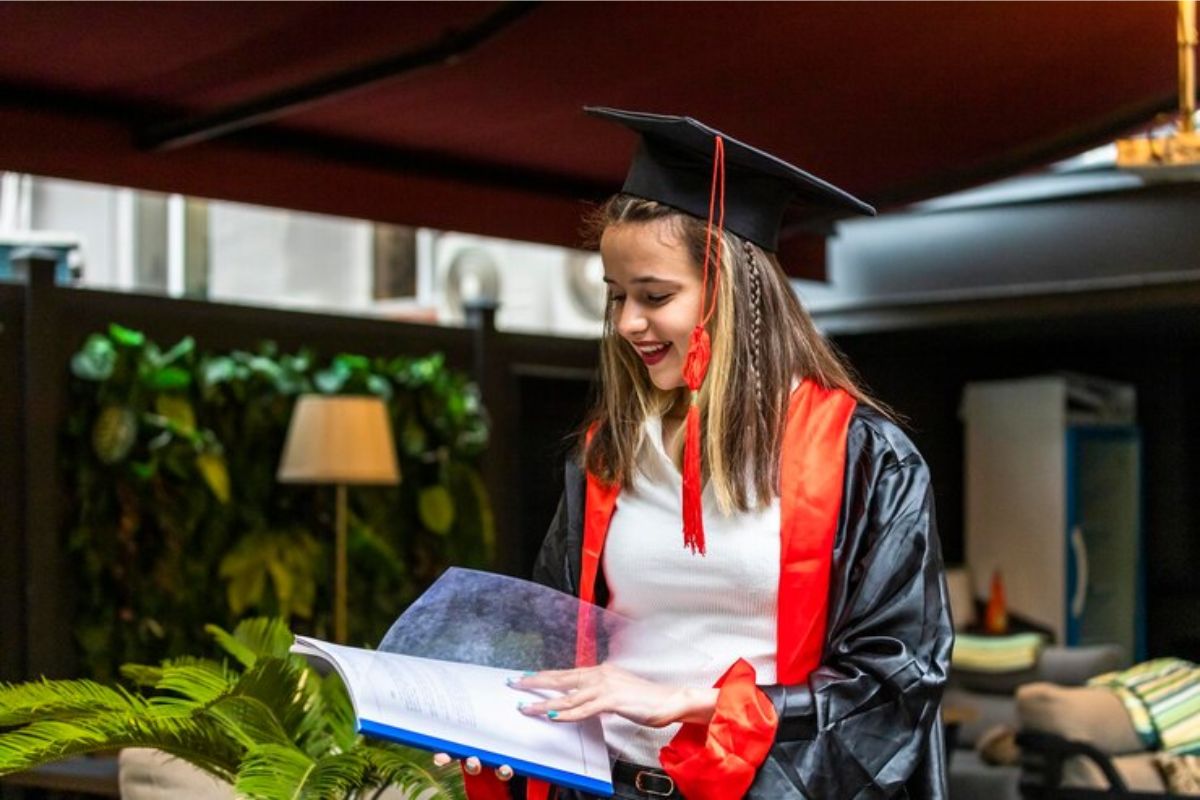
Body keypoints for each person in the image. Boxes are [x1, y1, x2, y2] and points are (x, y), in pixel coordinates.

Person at [458, 107, 954, 800]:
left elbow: (897, 678)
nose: (629, 322)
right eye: (617, 296)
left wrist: (691, 701)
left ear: (729, 290)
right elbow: (558, 643)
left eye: (655, 295)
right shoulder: (608, 455)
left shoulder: (864, 457)